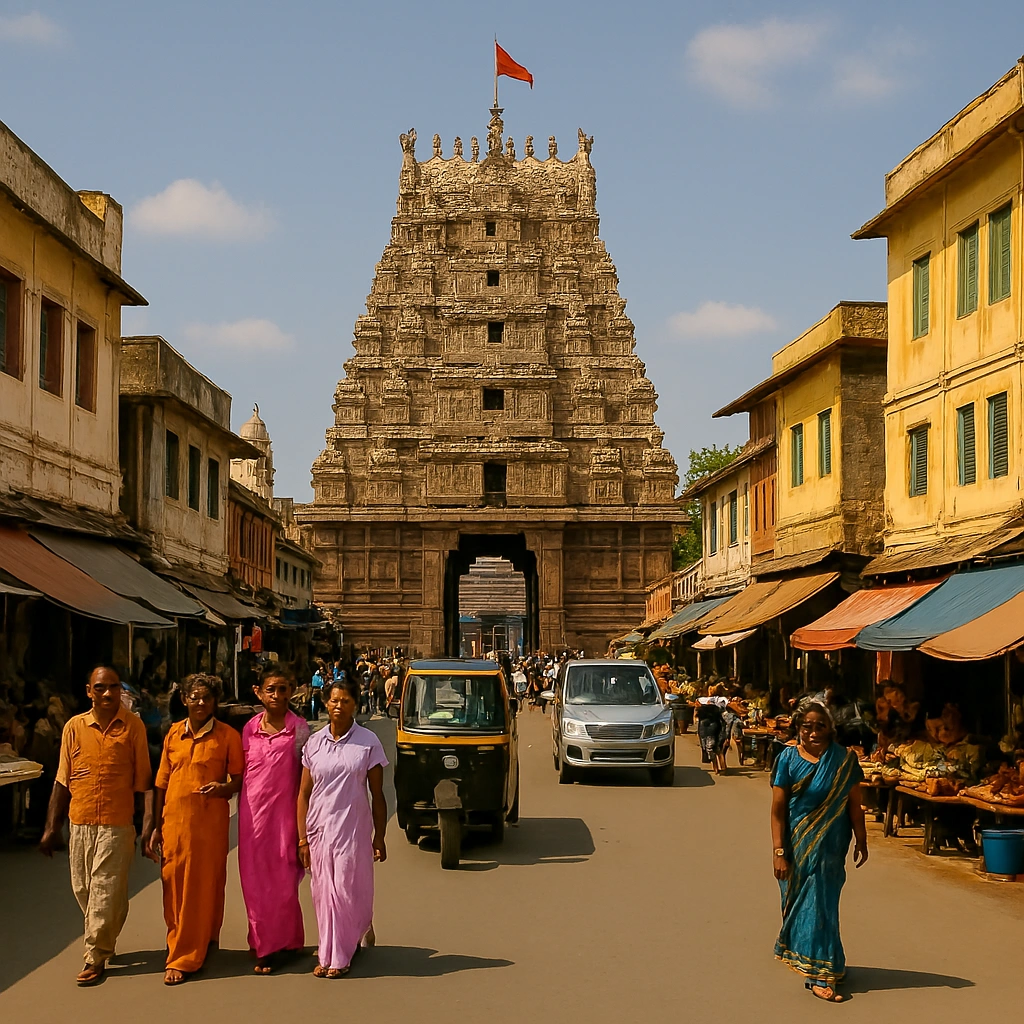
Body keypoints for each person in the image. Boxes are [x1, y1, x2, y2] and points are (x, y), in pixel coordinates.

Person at [39, 666, 151, 986]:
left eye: (113, 687)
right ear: (89, 691)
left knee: (104, 887)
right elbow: (63, 779)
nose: (107, 693)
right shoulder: (74, 727)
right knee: (85, 889)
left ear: (121, 691)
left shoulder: (134, 727)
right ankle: (105, 937)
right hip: (81, 821)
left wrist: (147, 828)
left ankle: (95, 955)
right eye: (100, 688)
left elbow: (144, 781)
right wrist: (51, 827)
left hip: (117, 823)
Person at [144, 674, 244, 985]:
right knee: (174, 886)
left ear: (215, 702)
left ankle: (188, 954)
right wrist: (156, 826)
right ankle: (184, 944)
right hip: (174, 823)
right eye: (195, 697)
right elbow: (162, 783)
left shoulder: (227, 736)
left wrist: (223, 788)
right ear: (185, 700)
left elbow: (239, 779)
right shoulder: (174, 734)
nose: (201, 703)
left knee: (204, 886)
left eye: (207, 698)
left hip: (209, 824)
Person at [770, 703, 868, 1003]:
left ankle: (823, 970)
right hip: (798, 847)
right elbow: (777, 812)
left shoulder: (844, 760)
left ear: (830, 728)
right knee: (806, 905)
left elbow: (855, 805)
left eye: (820, 726)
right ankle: (821, 969)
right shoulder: (787, 759)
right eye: (807, 726)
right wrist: (778, 852)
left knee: (825, 905)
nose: (813, 732)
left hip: (832, 848)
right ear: (798, 728)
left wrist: (862, 840)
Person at [297, 677, 388, 978]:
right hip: (320, 827)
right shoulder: (314, 743)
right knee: (323, 892)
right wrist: (301, 839)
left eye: (345, 701)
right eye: (334, 700)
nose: (339, 706)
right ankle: (332, 951)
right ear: (325, 703)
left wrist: (381, 836)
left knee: (346, 889)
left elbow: (378, 793)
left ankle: (340, 954)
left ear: (355, 706)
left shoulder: (368, 742)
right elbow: (304, 794)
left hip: (353, 827)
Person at [238, 665, 310, 974]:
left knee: (283, 884)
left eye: (283, 689)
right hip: (251, 820)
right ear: (259, 692)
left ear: (291, 691)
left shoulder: (300, 729)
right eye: (271, 690)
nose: (277, 696)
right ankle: (263, 945)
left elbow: (307, 781)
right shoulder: (249, 729)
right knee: (254, 884)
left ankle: (289, 942)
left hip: (285, 819)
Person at [694, 683, 729, 775]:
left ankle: (719, 768)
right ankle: (719, 768)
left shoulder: (719, 700)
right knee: (713, 747)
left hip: (711, 725)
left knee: (712, 747)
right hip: (709, 725)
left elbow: (698, 709)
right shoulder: (703, 700)